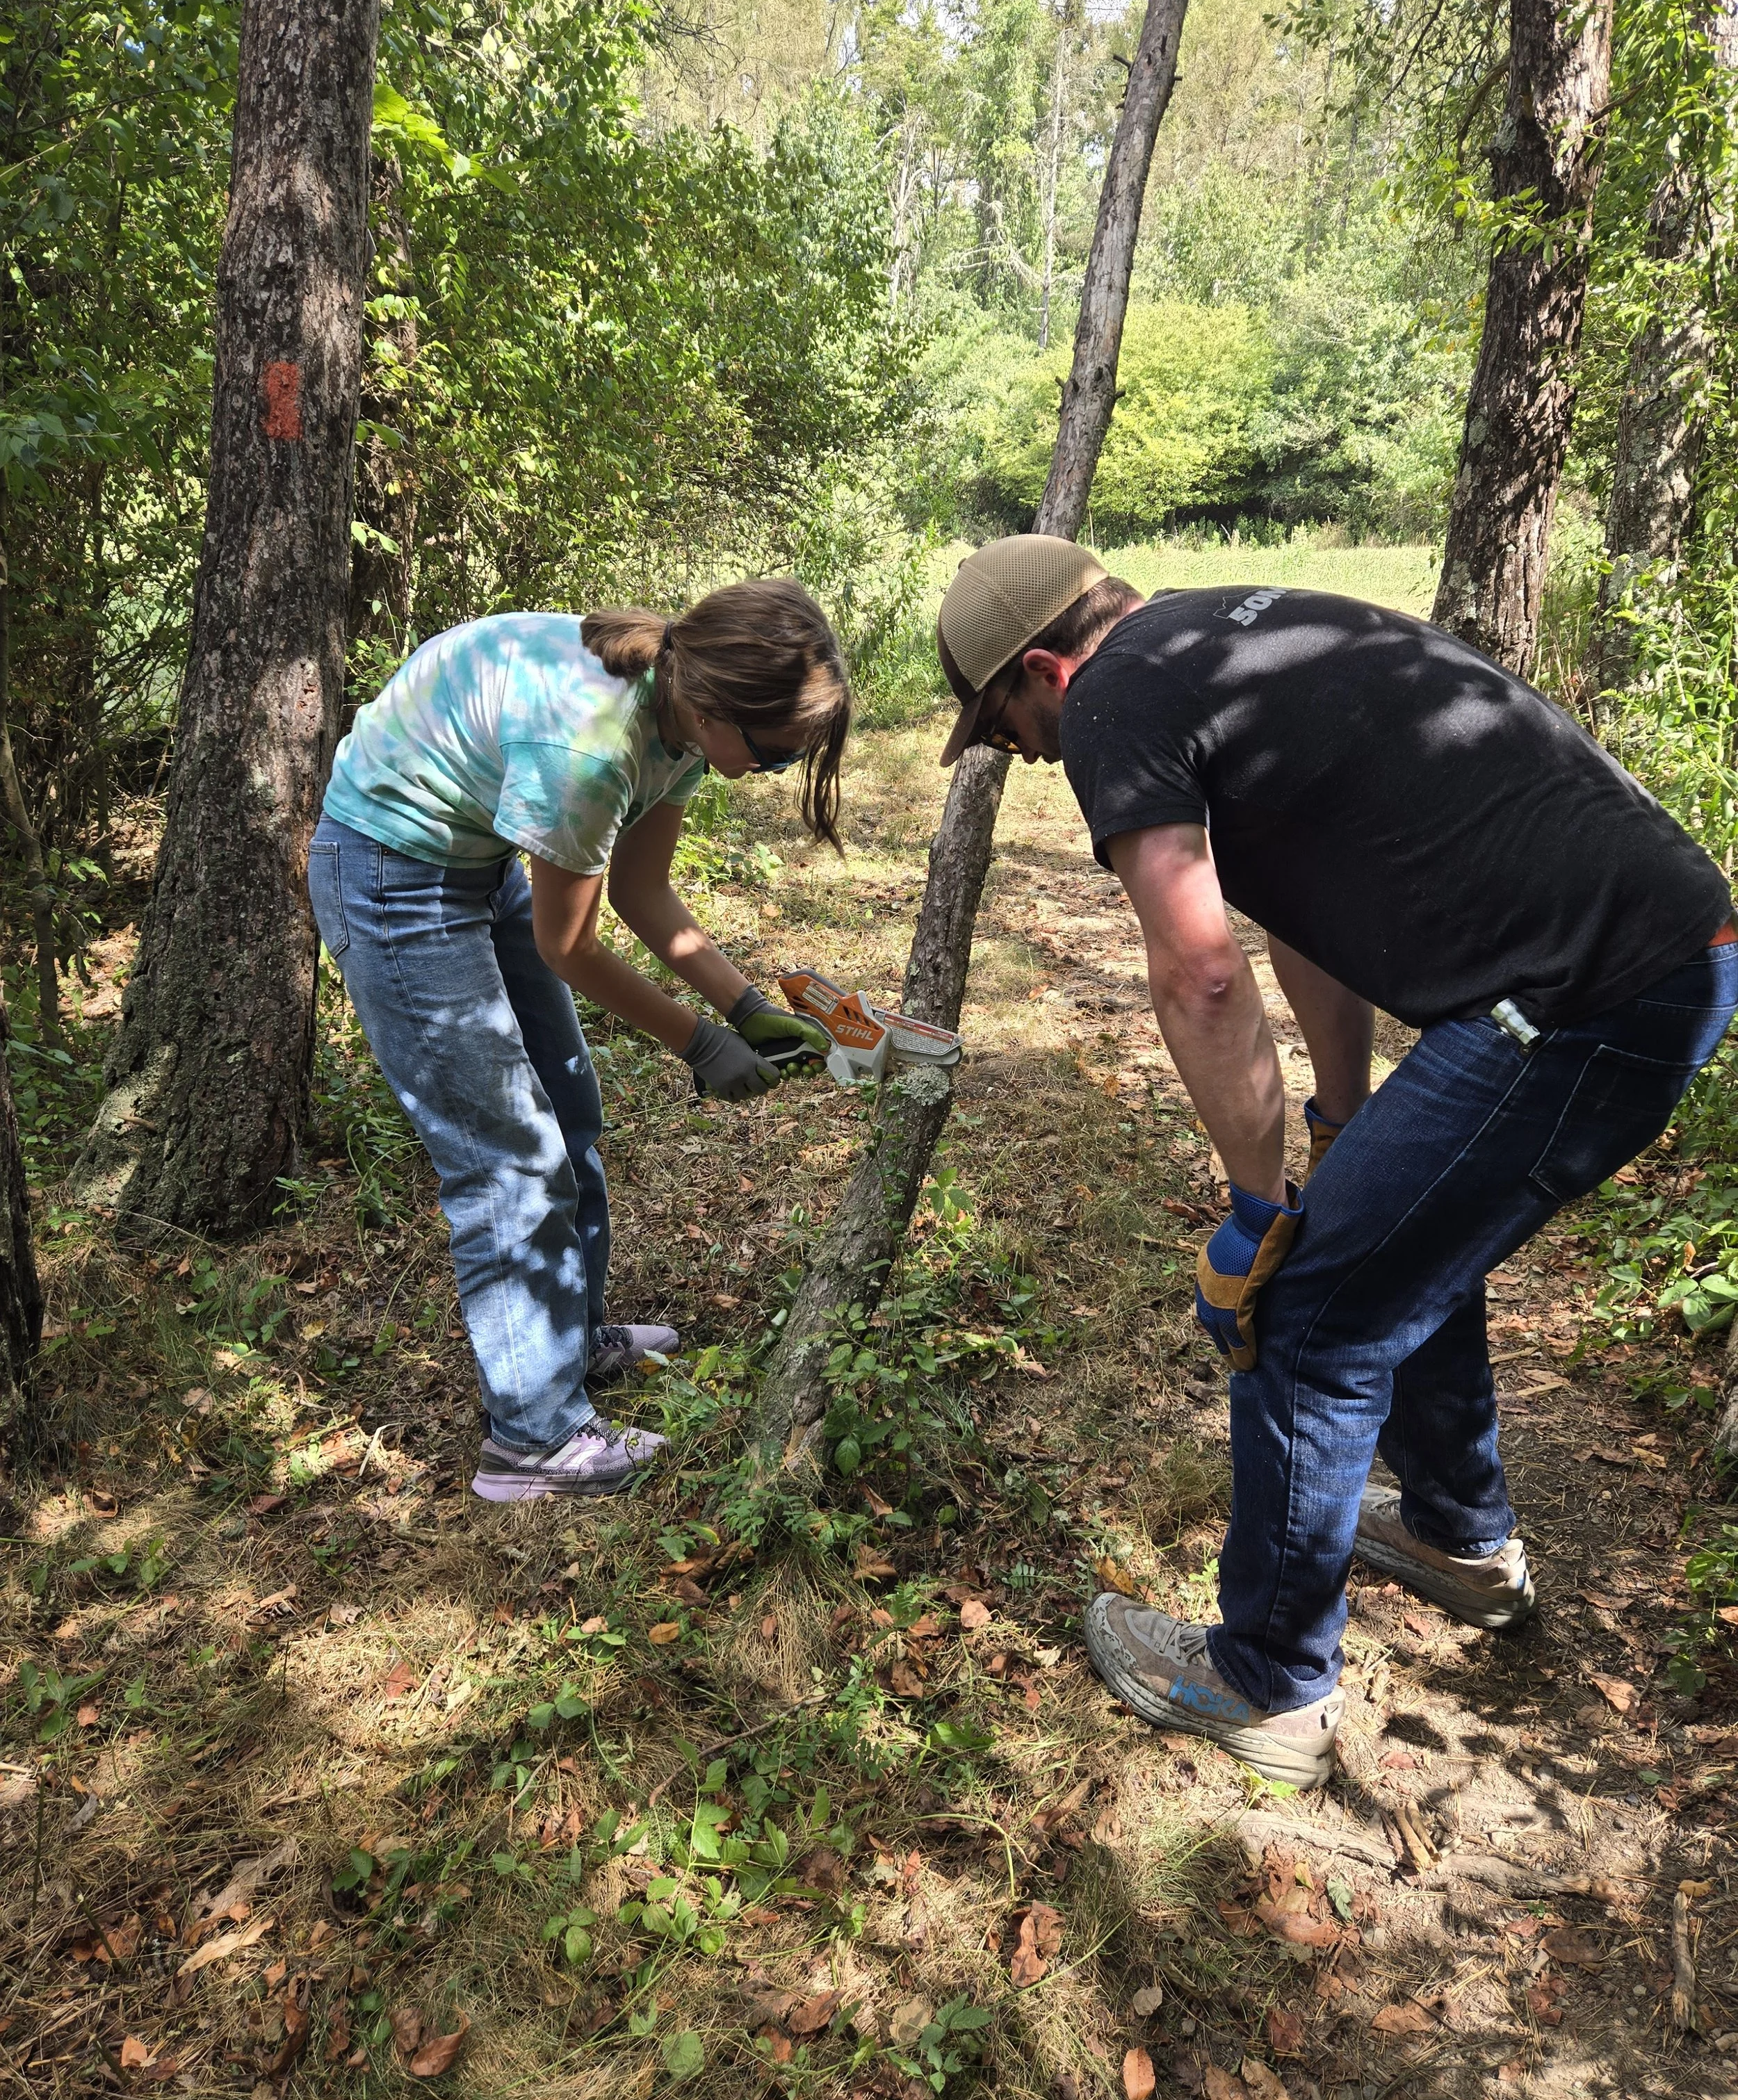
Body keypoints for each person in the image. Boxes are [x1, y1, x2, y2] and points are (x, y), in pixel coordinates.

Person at [935, 535, 1737, 1787]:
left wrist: (1262, 1214)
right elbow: (1301, 909)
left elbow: (1200, 973)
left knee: (1308, 1312)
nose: (1023, 755)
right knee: (1394, 1227)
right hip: (1662, 950)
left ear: (1047, 667)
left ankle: (1265, 1682)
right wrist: (1343, 1115)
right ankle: (1462, 1539)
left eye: (1005, 724)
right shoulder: (1224, 637)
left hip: (1591, 994)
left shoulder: (1119, 697)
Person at [309, 581, 846, 1504]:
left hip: (471, 858)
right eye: (769, 752)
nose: (767, 770)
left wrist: (746, 1004)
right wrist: (701, 1045)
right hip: (391, 872)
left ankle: (571, 1340)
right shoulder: (590, 749)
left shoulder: (677, 724)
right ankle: (531, 1442)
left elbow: (643, 896)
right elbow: (570, 947)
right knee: (507, 1157)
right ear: (717, 708)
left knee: (570, 1112)